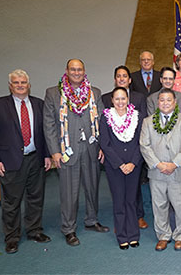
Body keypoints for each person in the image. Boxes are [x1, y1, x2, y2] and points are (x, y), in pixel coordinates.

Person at [43, 59, 109, 247]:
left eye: (79, 69)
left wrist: (103, 146)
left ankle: (91, 220)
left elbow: (102, 122)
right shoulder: (53, 93)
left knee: (92, 187)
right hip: (66, 150)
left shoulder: (94, 92)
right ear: (66, 71)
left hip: (91, 149)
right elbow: (48, 125)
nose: (77, 72)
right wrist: (54, 152)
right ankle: (68, 228)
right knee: (68, 192)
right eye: (73, 69)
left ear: (84, 71)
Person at [0, 69, 52, 254]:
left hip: (35, 158)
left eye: (23, 82)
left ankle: (34, 231)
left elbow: (44, 133)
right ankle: (12, 237)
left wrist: (47, 155)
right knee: (11, 202)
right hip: (9, 161)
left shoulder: (39, 104)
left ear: (29, 85)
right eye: (16, 82)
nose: (21, 85)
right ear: (10, 85)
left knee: (35, 198)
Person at [139, 88, 181, 251]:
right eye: (162, 100)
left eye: (168, 100)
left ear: (175, 102)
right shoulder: (148, 122)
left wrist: (174, 163)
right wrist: (158, 164)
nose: (165, 103)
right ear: (158, 103)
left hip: (178, 170)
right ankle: (163, 235)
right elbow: (144, 145)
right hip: (157, 172)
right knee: (159, 205)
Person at [102, 65, 149, 229]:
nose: (121, 79)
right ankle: (120, 223)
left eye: (124, 76)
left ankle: (138, 216)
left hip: (134, 153)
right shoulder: (105, 98)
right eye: (118, 76)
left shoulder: (139, 97)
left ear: (129, 80)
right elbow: (104, 131)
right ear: (115, 79)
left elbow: (144, 126)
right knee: (118, 191)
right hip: (115, 154)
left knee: (134, 189)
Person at [99, 87, 144, 250]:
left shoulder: (138, 116)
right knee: (119, 201)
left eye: (123, 98)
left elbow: (141, 141)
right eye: (117, 99)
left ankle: (133, 234)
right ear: (112, 100)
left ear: (128, 99)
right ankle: (122, 236)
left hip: (134, 165)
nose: (120, 102)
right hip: (114, 166)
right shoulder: (105, 117)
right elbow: (105, 143)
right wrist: (119, 164)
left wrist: (133, 162)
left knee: (131, 201)